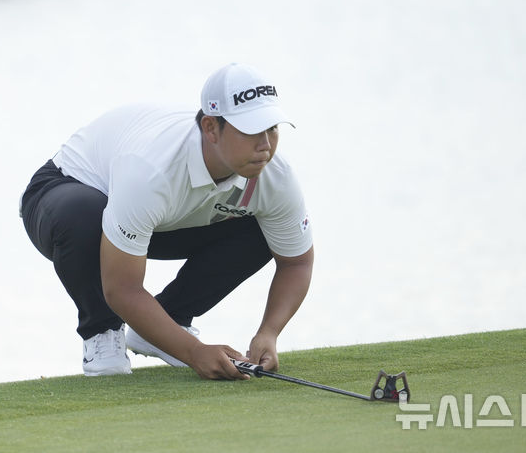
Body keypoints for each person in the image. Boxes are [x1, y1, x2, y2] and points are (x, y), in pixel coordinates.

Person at [20, 63, 313, 380]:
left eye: (272, 129)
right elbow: (122, 288)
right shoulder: (151, 169)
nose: (265, 145)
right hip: (63, 193)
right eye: (251, 131)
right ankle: (101, 332)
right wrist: (194, 352)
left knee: (261, 231)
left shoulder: (275, 175)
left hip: (163, 213)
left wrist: (269, 332)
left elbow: (296, 263)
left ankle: (167, 322)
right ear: (211, 129)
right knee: (84, 214)